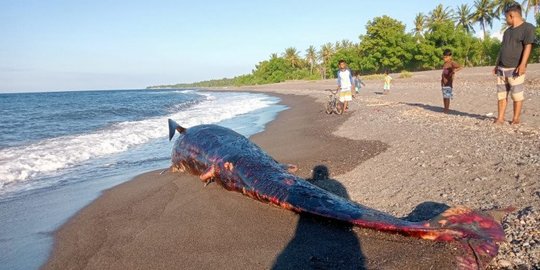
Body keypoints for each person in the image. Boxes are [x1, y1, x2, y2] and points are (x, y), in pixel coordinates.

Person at [493, 1, 536, 125]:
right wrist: (496, 65)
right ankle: (500, 118)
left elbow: (528, 46)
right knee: (501, 95)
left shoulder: (528, 28)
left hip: (516, 69)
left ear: (511, 15)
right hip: (502, 68)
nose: (506, 20)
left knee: (517, 95)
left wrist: (522, 64)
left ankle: (515, 118)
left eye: (506, 17)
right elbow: (503, 49)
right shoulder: (507, 32)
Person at [441, 49, 462, 114]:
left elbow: (460, 67)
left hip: (448, 82)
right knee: (444, 96)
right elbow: (444, 73)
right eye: (444, 57)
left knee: (447, 96)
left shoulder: (452, 63)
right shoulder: (445, 63)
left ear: (450, 57)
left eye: (446, 57)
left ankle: (446, 110)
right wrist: (442, 80)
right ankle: (445, 108)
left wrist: (454, 71)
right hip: (444, 82)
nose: (445, 58)